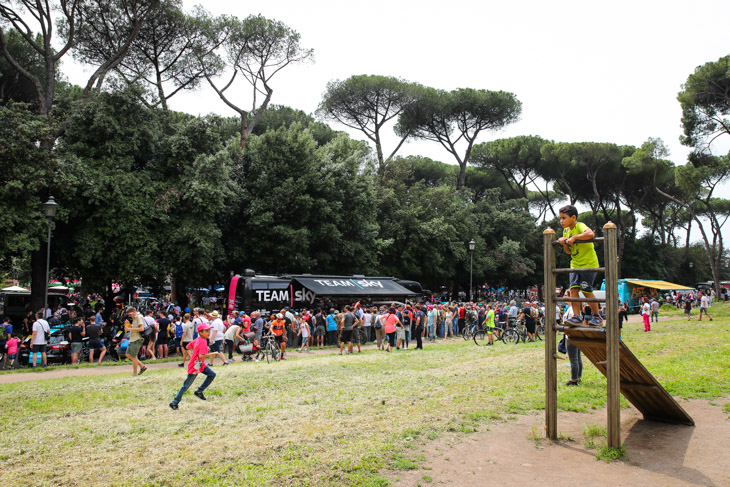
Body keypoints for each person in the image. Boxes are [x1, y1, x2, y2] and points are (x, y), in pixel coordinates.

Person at [557, 204, 602, 326]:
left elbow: (590, 234)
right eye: (560, 218)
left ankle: (597, 316)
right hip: (575, 264)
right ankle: (576, 316)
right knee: (573, 290)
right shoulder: (566, 231)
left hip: (588, 264)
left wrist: (575, 237)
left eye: (564, 218)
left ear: (573, 217)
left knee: (586, 290)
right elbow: (569, 251)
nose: (561, 221)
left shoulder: (579, 226)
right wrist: (565, 243)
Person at [169, 322, 217, 410]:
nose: (208, 333)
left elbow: (187, 346)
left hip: (199, 364)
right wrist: (213, 353)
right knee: (186, 385)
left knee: (212, 374)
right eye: (206, 331)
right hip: (195, 365)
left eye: (209, 330)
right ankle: (174, 402)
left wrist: (200, 348)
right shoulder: (202, 341)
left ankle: (199, 391)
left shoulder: (199, 339)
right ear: (201, 332)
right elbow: (201, 356)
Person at [124, 306, 148, 376]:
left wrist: (129, 329)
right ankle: (142, 366)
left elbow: (141, 329)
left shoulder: (139, 317)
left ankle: (135, 374)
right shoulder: (135, 317)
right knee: (128, 354)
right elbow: (136, 327)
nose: (129, 316)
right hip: (133, 338)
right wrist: (130, 326)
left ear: (134, 312)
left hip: (137, 339)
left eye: (130, 314)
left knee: (133, 356)